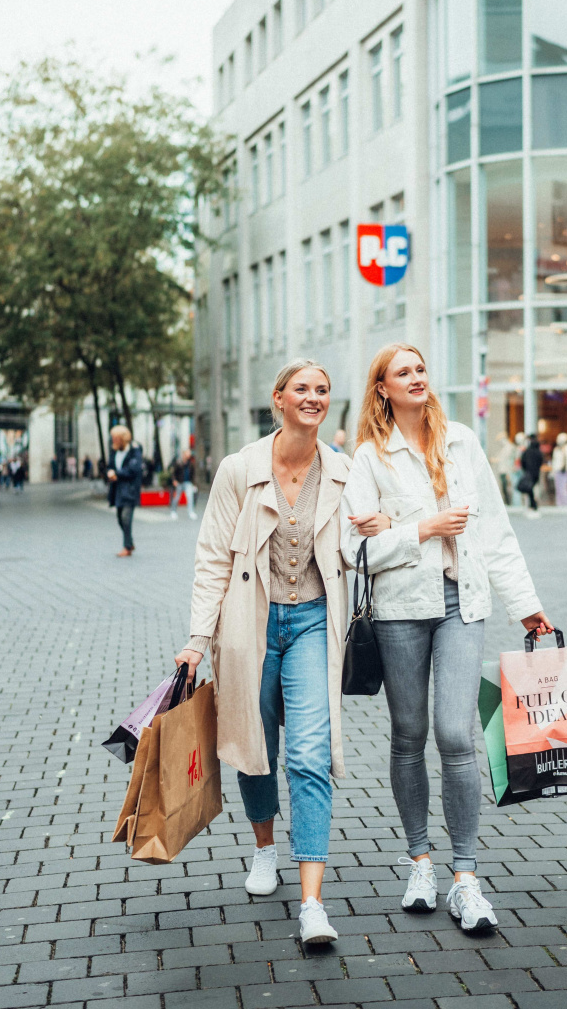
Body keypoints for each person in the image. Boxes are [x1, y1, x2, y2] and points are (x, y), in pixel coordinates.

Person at [342, 343, 552, 935]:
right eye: (402, 372)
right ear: (382, 387)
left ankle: (465, 877)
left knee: (456, 733)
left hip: (464, 602)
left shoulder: (460, 441)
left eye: (420, 369)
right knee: (408, 735)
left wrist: (528, 606)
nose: (416, 378)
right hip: (401, 609)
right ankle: (419, 862)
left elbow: (495, 530)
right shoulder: (369, 457)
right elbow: (351, 549)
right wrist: (421, 530)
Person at [178, 358, 382, 948]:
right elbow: (213, 556)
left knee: (311, 754)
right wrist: (197, 639)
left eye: (322, 389)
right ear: (279, 399)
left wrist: (382, 525)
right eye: (303, 389)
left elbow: (363, 541)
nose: (314, 398)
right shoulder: (240, 470)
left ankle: (312, 902)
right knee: (254, 742)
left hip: (316, 622)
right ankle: (265, 847)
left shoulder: (343, 472)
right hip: (249, 624)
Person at [105, 426, 144, 556]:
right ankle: (130, 542)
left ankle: (127, 547)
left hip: (130, 490)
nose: (114, 440)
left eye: (116, 438)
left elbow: (134, 469)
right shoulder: (114, 451)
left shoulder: (134, 450)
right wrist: (110, 473)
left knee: (126, 518)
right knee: (120, 519)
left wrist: (117, 473)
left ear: (122, 438)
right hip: (117, 490)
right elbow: (110, 466)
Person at [517, 435, 544, 518]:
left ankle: (532, 505)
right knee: (532, 490)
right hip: (535, 474)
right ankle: (533, 505)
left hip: (529, 473)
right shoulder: (538, 452)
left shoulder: (527, 451)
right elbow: (541, 462)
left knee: (530, 490)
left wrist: (526, 470)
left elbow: (522, 462)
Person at [172, 449, 198, 520]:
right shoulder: (179, 462)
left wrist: (194, 484)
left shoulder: (191, 463)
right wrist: (174, 480)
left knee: (190, 497)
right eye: (187, 454)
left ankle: (191, 512)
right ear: (184, 454)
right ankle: (173, 511)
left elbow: (193, 474)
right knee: (176, 497)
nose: (189, 455)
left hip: (188, 482)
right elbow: (174, 472)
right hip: (180, 482)